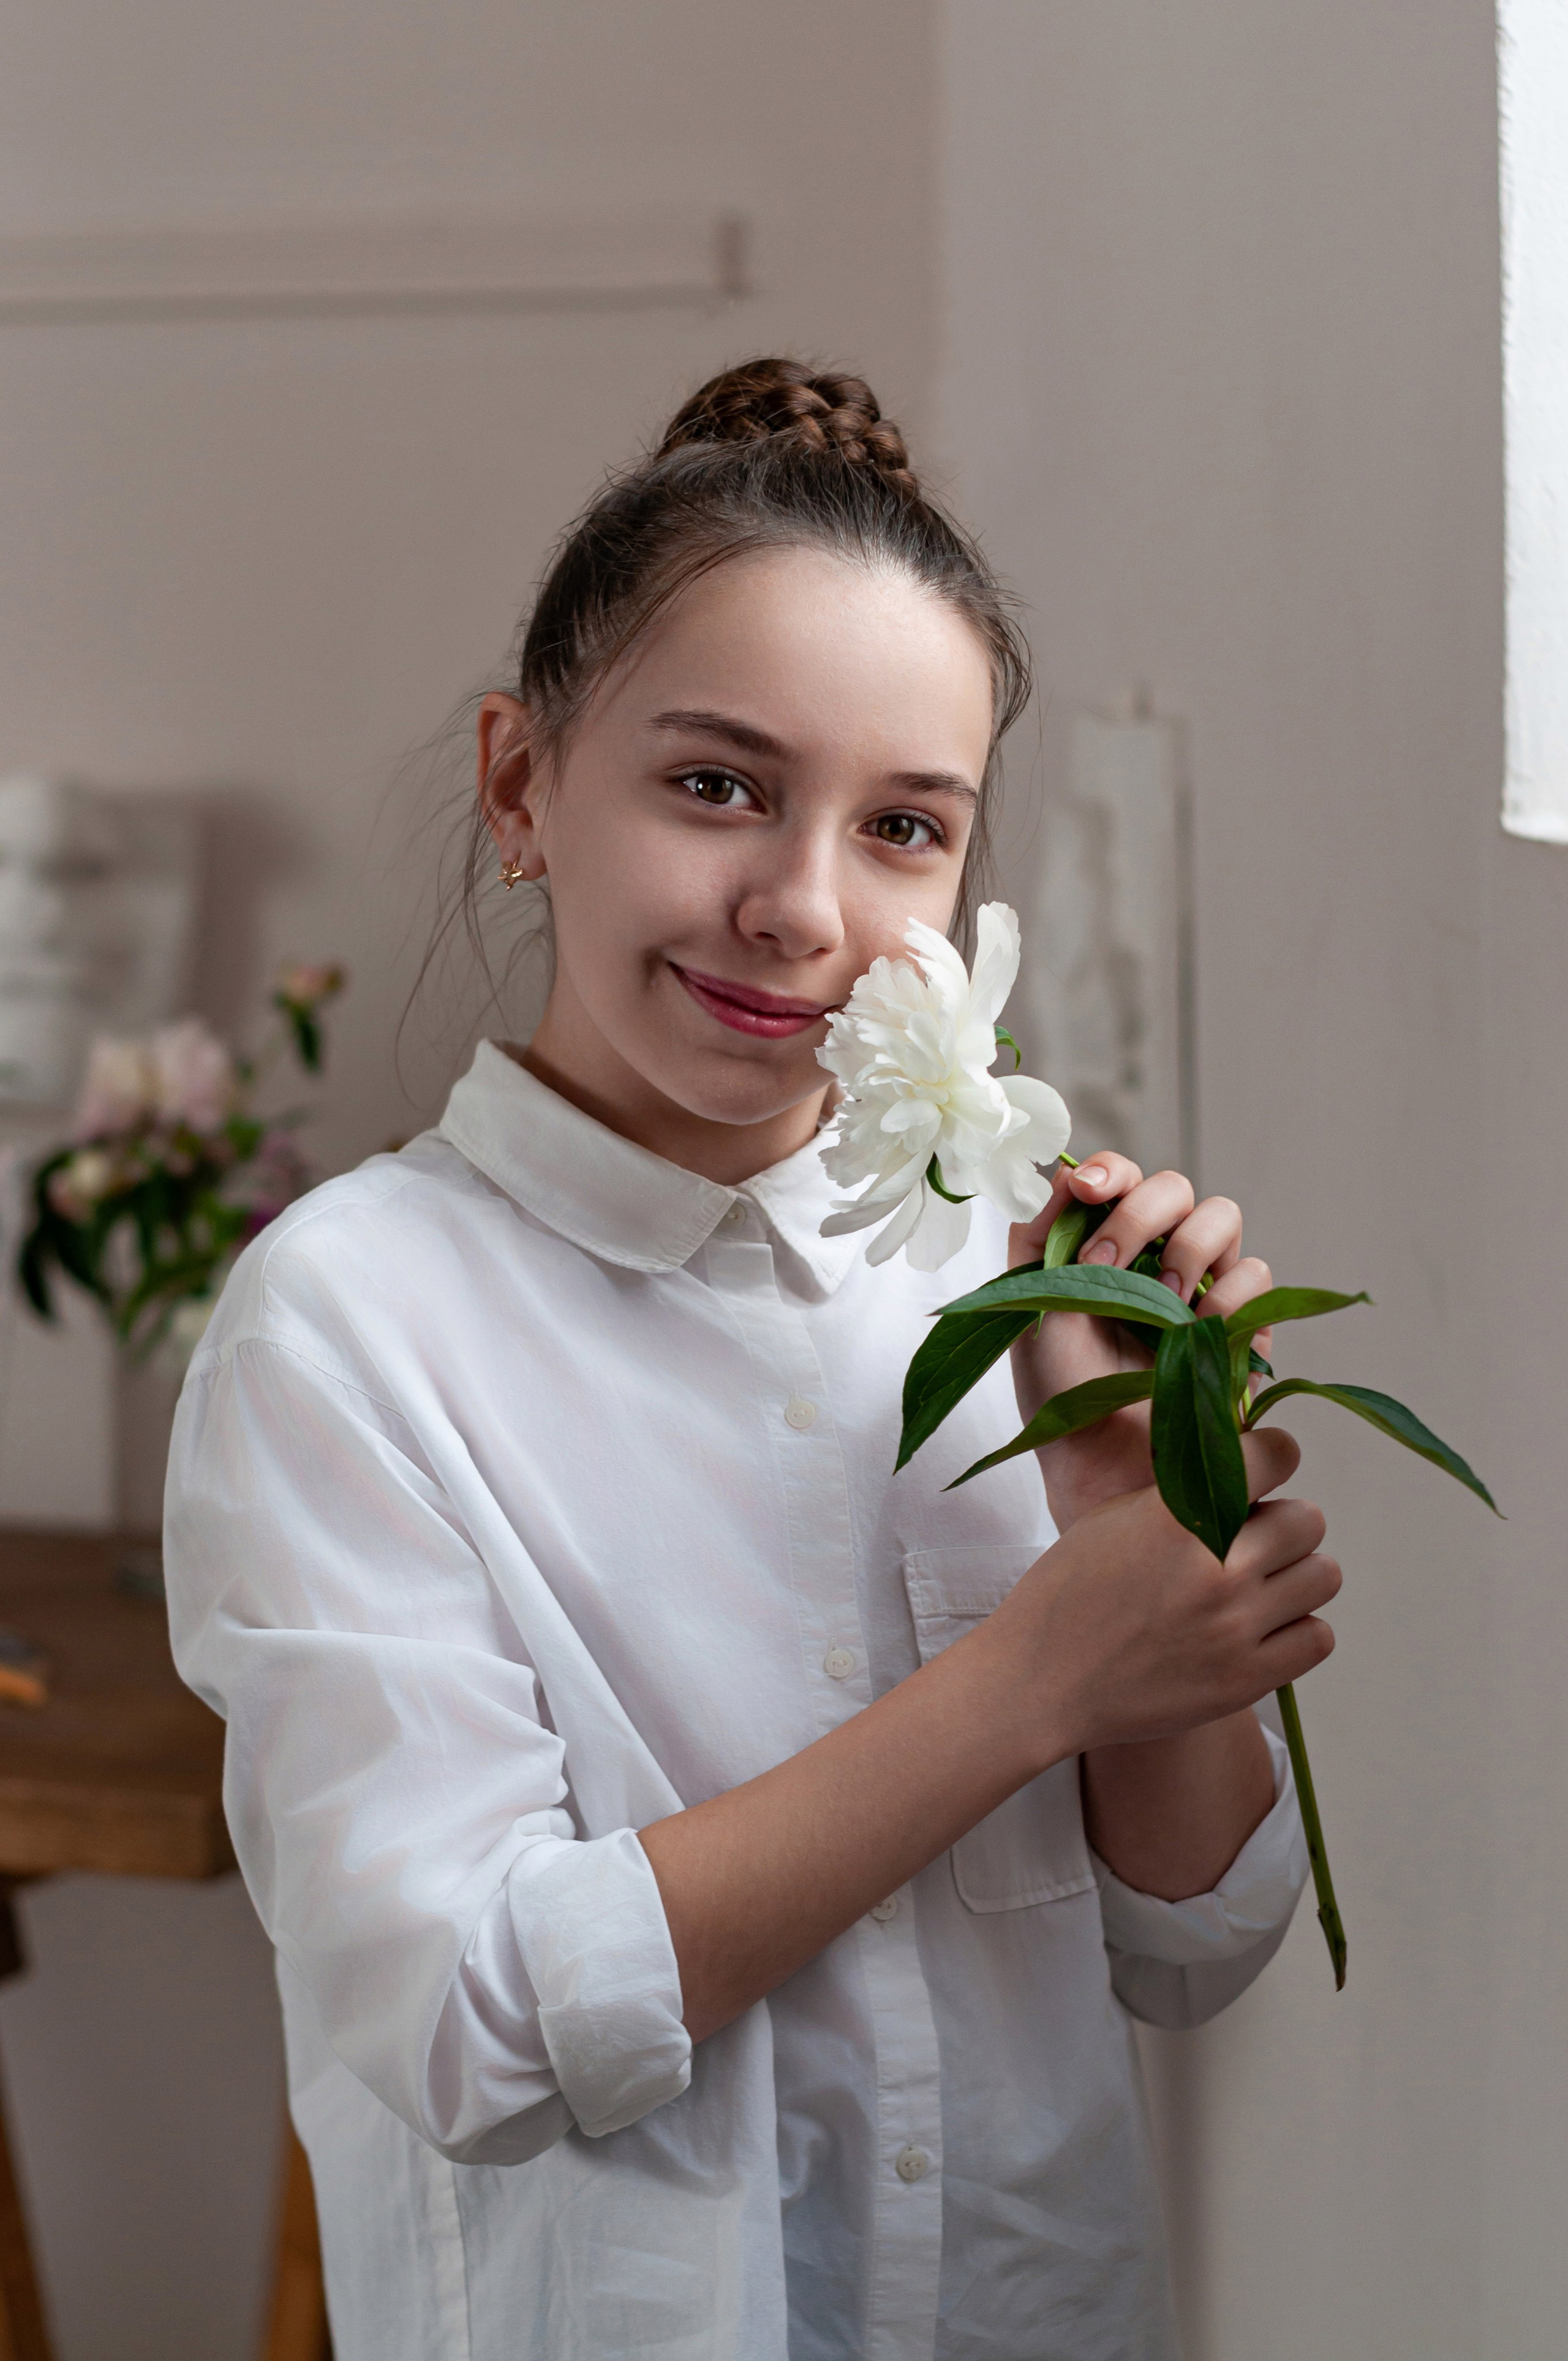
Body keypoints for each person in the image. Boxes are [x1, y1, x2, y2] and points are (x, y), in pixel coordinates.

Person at [164, 358, 1338, 2361]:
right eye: (717, 784)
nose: (803, 907)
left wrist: (1139, 1515)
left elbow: (1195, 1946)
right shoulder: (348, 1325)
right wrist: (1036, 1668)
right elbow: (477, 2023)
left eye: (903, 827)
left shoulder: (1015, 1263)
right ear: (524, 785)